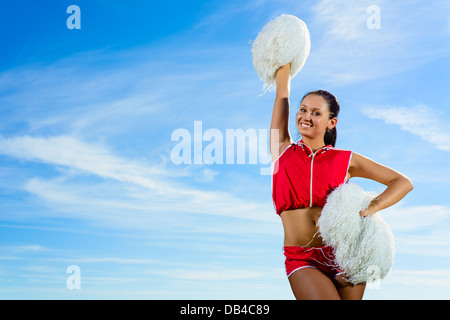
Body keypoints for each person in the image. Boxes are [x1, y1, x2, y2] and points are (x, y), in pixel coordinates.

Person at [270, 63, 414, 300]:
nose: (306, 116)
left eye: (316, 113)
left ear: (331, 122)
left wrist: (371, 208)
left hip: (346, 255)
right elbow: (281, 95)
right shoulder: (282, 149)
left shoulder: (346, 159)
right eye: (303, 110)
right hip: (302, 257)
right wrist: (284, 61)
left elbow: (402, 182)